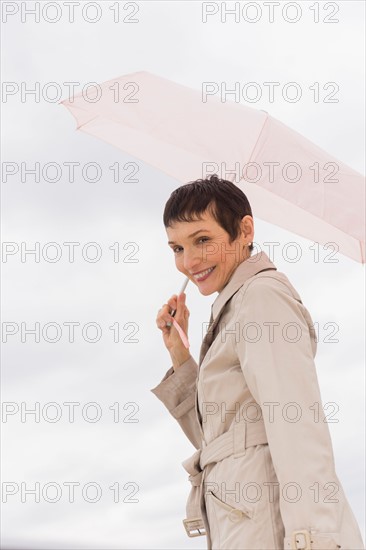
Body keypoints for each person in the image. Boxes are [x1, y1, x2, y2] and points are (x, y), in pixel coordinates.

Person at [150, 175, 364, 550]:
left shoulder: (262, 298)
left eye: (202, 240)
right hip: (242, 525)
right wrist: (180, 355)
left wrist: (314, 540)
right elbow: (217, 442)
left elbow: (298, 425)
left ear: (244, 230)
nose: (189, 261)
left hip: (273, 529)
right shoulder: (234, 309)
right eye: (177, 248)